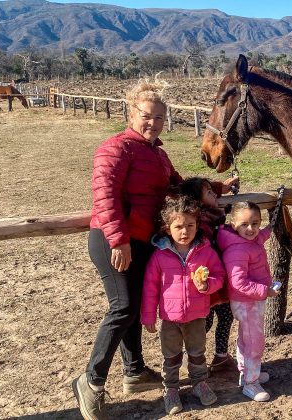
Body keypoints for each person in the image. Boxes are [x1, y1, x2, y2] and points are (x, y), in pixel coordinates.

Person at [72, 78, 238, 420]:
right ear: (132, 113)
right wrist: (118, 239)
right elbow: (104, 196)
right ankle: (90, 381)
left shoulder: (158, 154)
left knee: (131, 306)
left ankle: (134, 372)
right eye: (148, 116)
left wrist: (218, 187)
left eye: (160, 118)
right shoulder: (115, 148)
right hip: (113, 240)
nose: (153, 123)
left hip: (143, 240)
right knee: (124, 306)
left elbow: (181, 187)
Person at [141, 196, 225, 414]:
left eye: (190, 225)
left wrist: (207, 285)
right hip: (170, 318)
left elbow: (220, 275)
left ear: (197, 225)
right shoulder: (160, 256)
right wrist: (148, 316)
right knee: (171, 356)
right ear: (168, 229)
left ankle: (199, 383)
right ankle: (170, 389)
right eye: (179, 226)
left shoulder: (205, 252)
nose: (185, 231)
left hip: (197, 316)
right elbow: (150, 288)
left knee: (197, 353)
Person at [217, 201, 280, 402]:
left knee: (246, 338)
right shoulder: (237, 251)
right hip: (247, 301)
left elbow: (261, 236)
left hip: (251, 301)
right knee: (254, 341)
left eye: (256, 223)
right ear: (233, 224)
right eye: (244, 224)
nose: (251, 228)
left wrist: (271, 226)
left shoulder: (249, 239)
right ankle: (251, 383)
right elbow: (238, 283)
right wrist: (266, 291)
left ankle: (248, 372)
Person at [177, 177, 235, 372]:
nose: (215, 195)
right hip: (206, 280)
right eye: (209, 193)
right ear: (199, 202)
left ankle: (221, 356)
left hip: (219, 277)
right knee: (206, 321)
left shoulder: (214, 216)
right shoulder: (202, 223)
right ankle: (192, 356)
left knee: (226, 316)